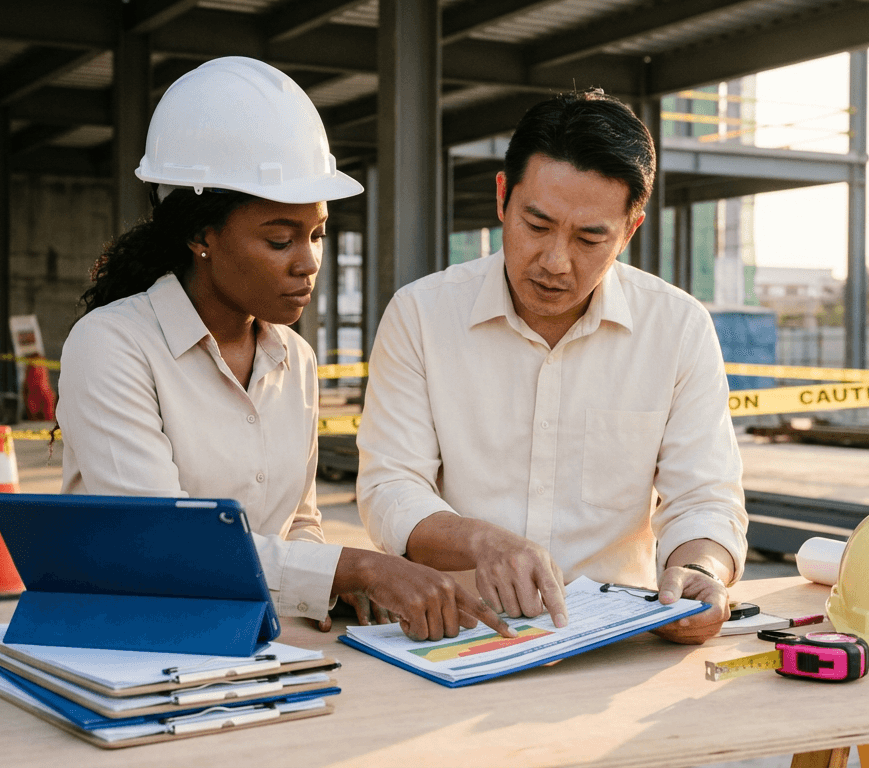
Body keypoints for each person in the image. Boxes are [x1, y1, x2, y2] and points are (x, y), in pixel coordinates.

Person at [57, 57, 508, 642]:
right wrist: (360, 567)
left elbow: (299, 521)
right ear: (200, 236)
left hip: (251, 646)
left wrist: (328, 587)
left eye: (317, 234)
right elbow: (166, 543)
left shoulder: (293, 359)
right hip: (127, 648)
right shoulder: (113, 346)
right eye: (279, 239)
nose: (308, 262)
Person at [355, 89, 748, 644]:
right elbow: (391, 485)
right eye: (536, 225)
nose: (555, 262)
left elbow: (705, 495)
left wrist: (702, 572)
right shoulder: (421, 316)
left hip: (615, 644)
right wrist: (481, 543)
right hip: (458, 636)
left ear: (630, 229)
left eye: (590, 237)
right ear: (502, 197)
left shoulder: (677, 328)